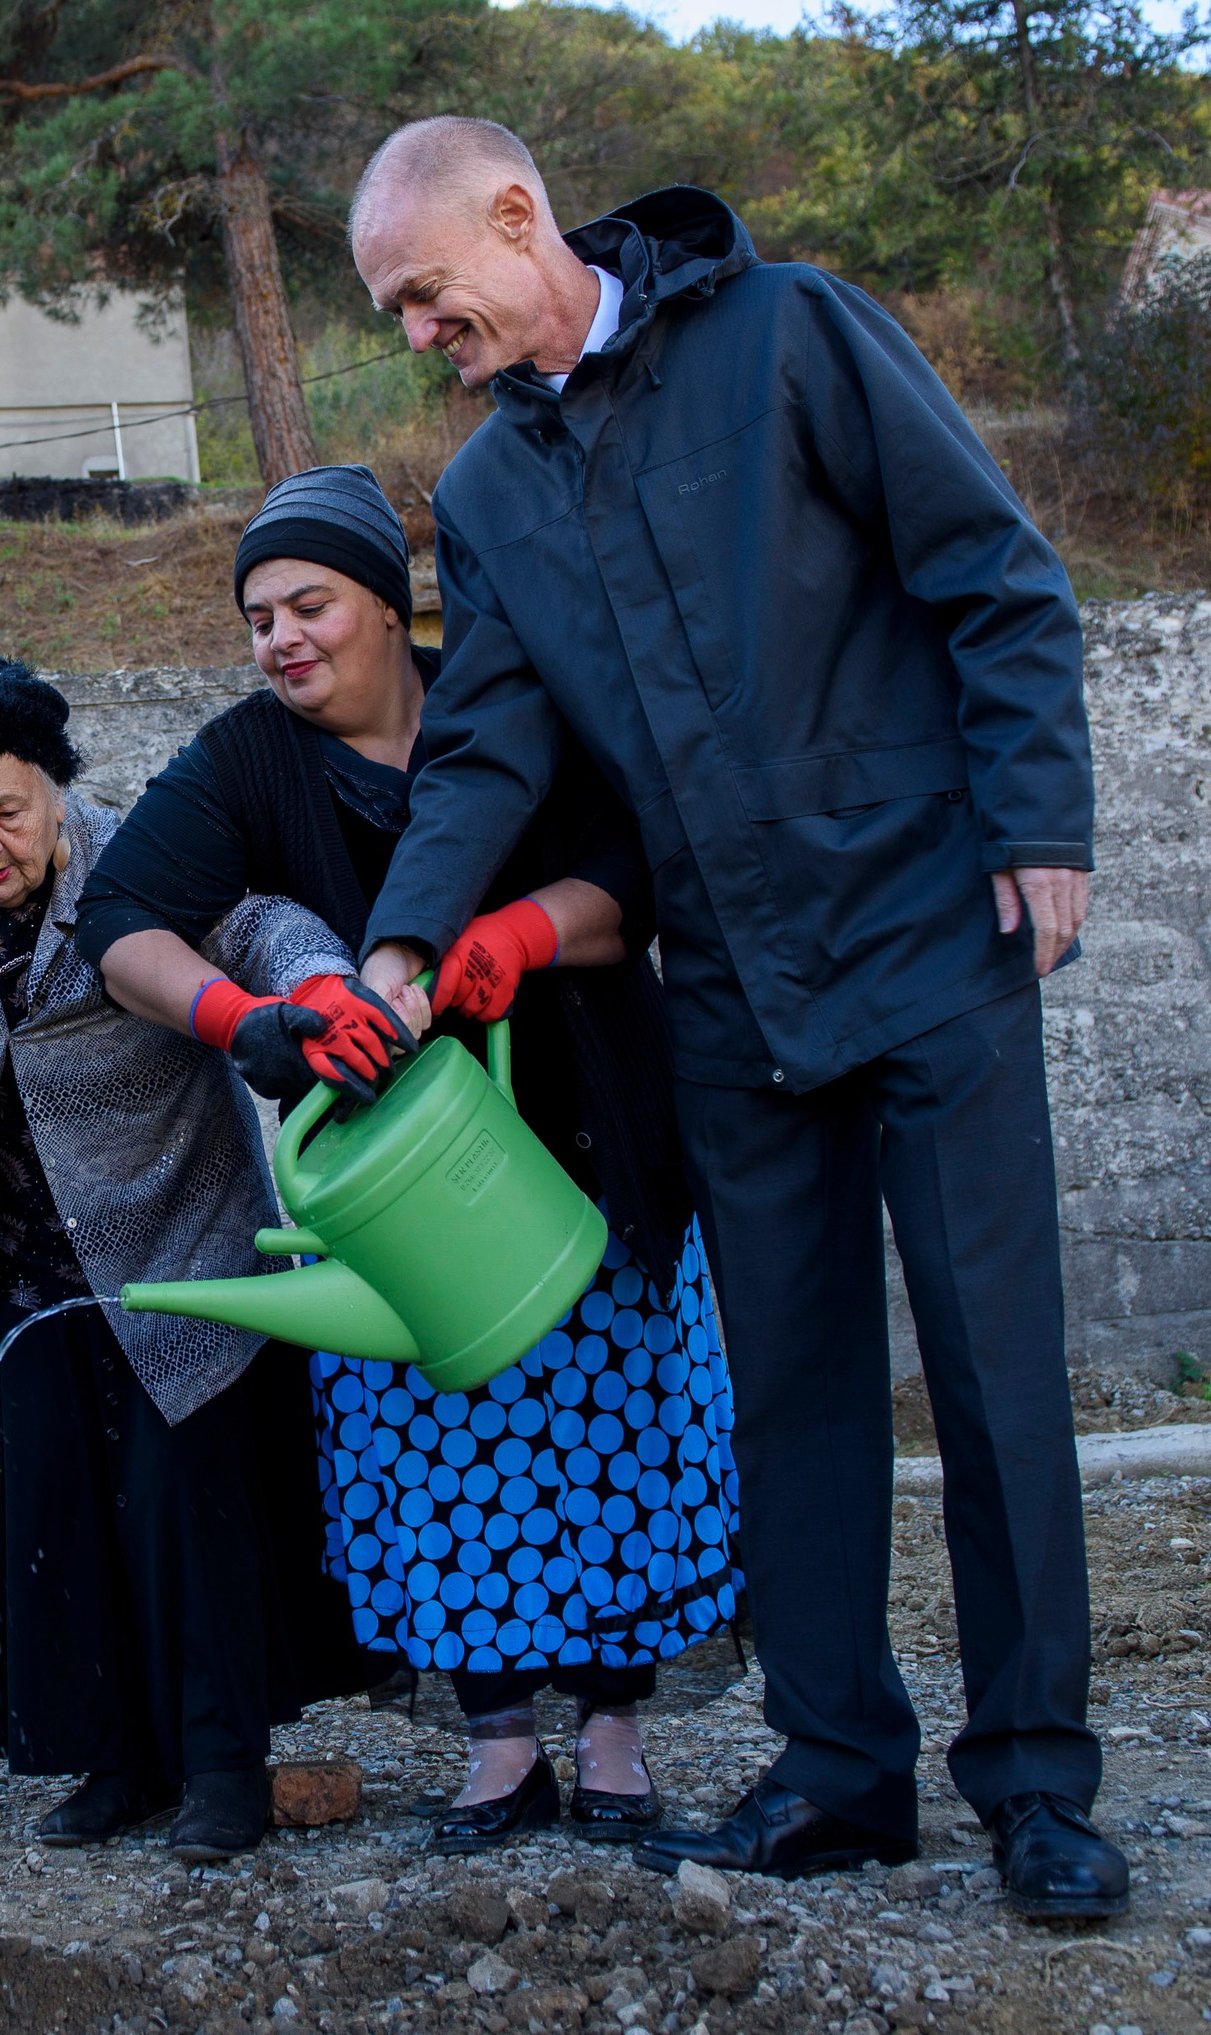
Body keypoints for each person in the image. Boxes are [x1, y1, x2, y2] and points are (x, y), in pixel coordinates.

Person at [344, 116, 1126, 1915]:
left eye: (424, 293)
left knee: (996, 1378)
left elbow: (990, 570)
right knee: (786, 1393)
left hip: (926, 936)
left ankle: (1034, 1783)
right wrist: (398, 947)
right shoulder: (489, 491)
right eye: (395, 313)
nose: (417, 334)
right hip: (724, 983)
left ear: (519, 216)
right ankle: (840, 1769)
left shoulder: (791, 335)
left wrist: (1038, 818)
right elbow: (484, 746)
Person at [74, 465, 741, 1853]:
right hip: (398, 1195)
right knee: (439, 1453)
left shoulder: (512, 698)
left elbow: (640, 875)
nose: (280, 638)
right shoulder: (246, 759)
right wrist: (244, 1018)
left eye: (307, 604)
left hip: (590, 1139)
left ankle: (611, 1727)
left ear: (389, 602)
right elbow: (120, 918)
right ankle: (501, 1744)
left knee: (612, 1437)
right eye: (257, 617)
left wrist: (520, 936)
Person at [0, 658, 368, 1860]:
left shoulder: (138, 858)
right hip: (24, 1263)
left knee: (188, 1513)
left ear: (56, 791)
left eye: (7, 811)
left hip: (175, 1236)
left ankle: (223, 1769)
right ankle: (116, 1762)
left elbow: (258, 923)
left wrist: (317, 988)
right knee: (64, 1515)